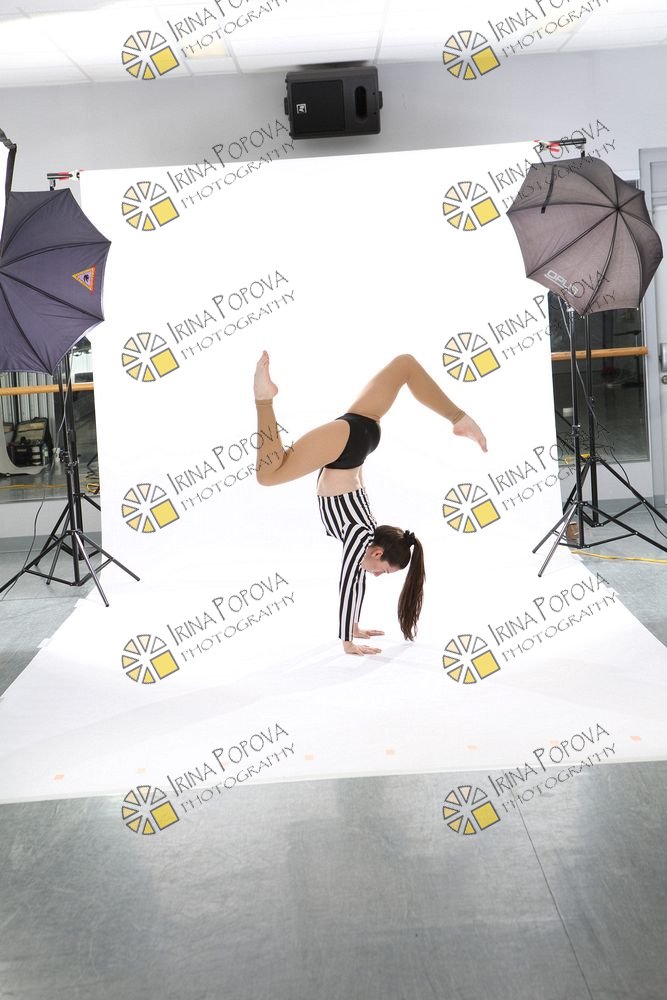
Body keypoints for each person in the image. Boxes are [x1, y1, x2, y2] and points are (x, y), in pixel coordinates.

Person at [254, 351, 487, 656]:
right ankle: (264, 398)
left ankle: (460, 419)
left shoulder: (365, 530)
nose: (375, 575)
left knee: (404, 365)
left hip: (363, 432)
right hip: (345, 447)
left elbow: (356, 579)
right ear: (377, 552)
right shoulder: (361, 536)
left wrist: (353, 625)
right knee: (268, 475)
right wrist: (348, 642)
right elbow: (348, 581)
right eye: (383, 571)